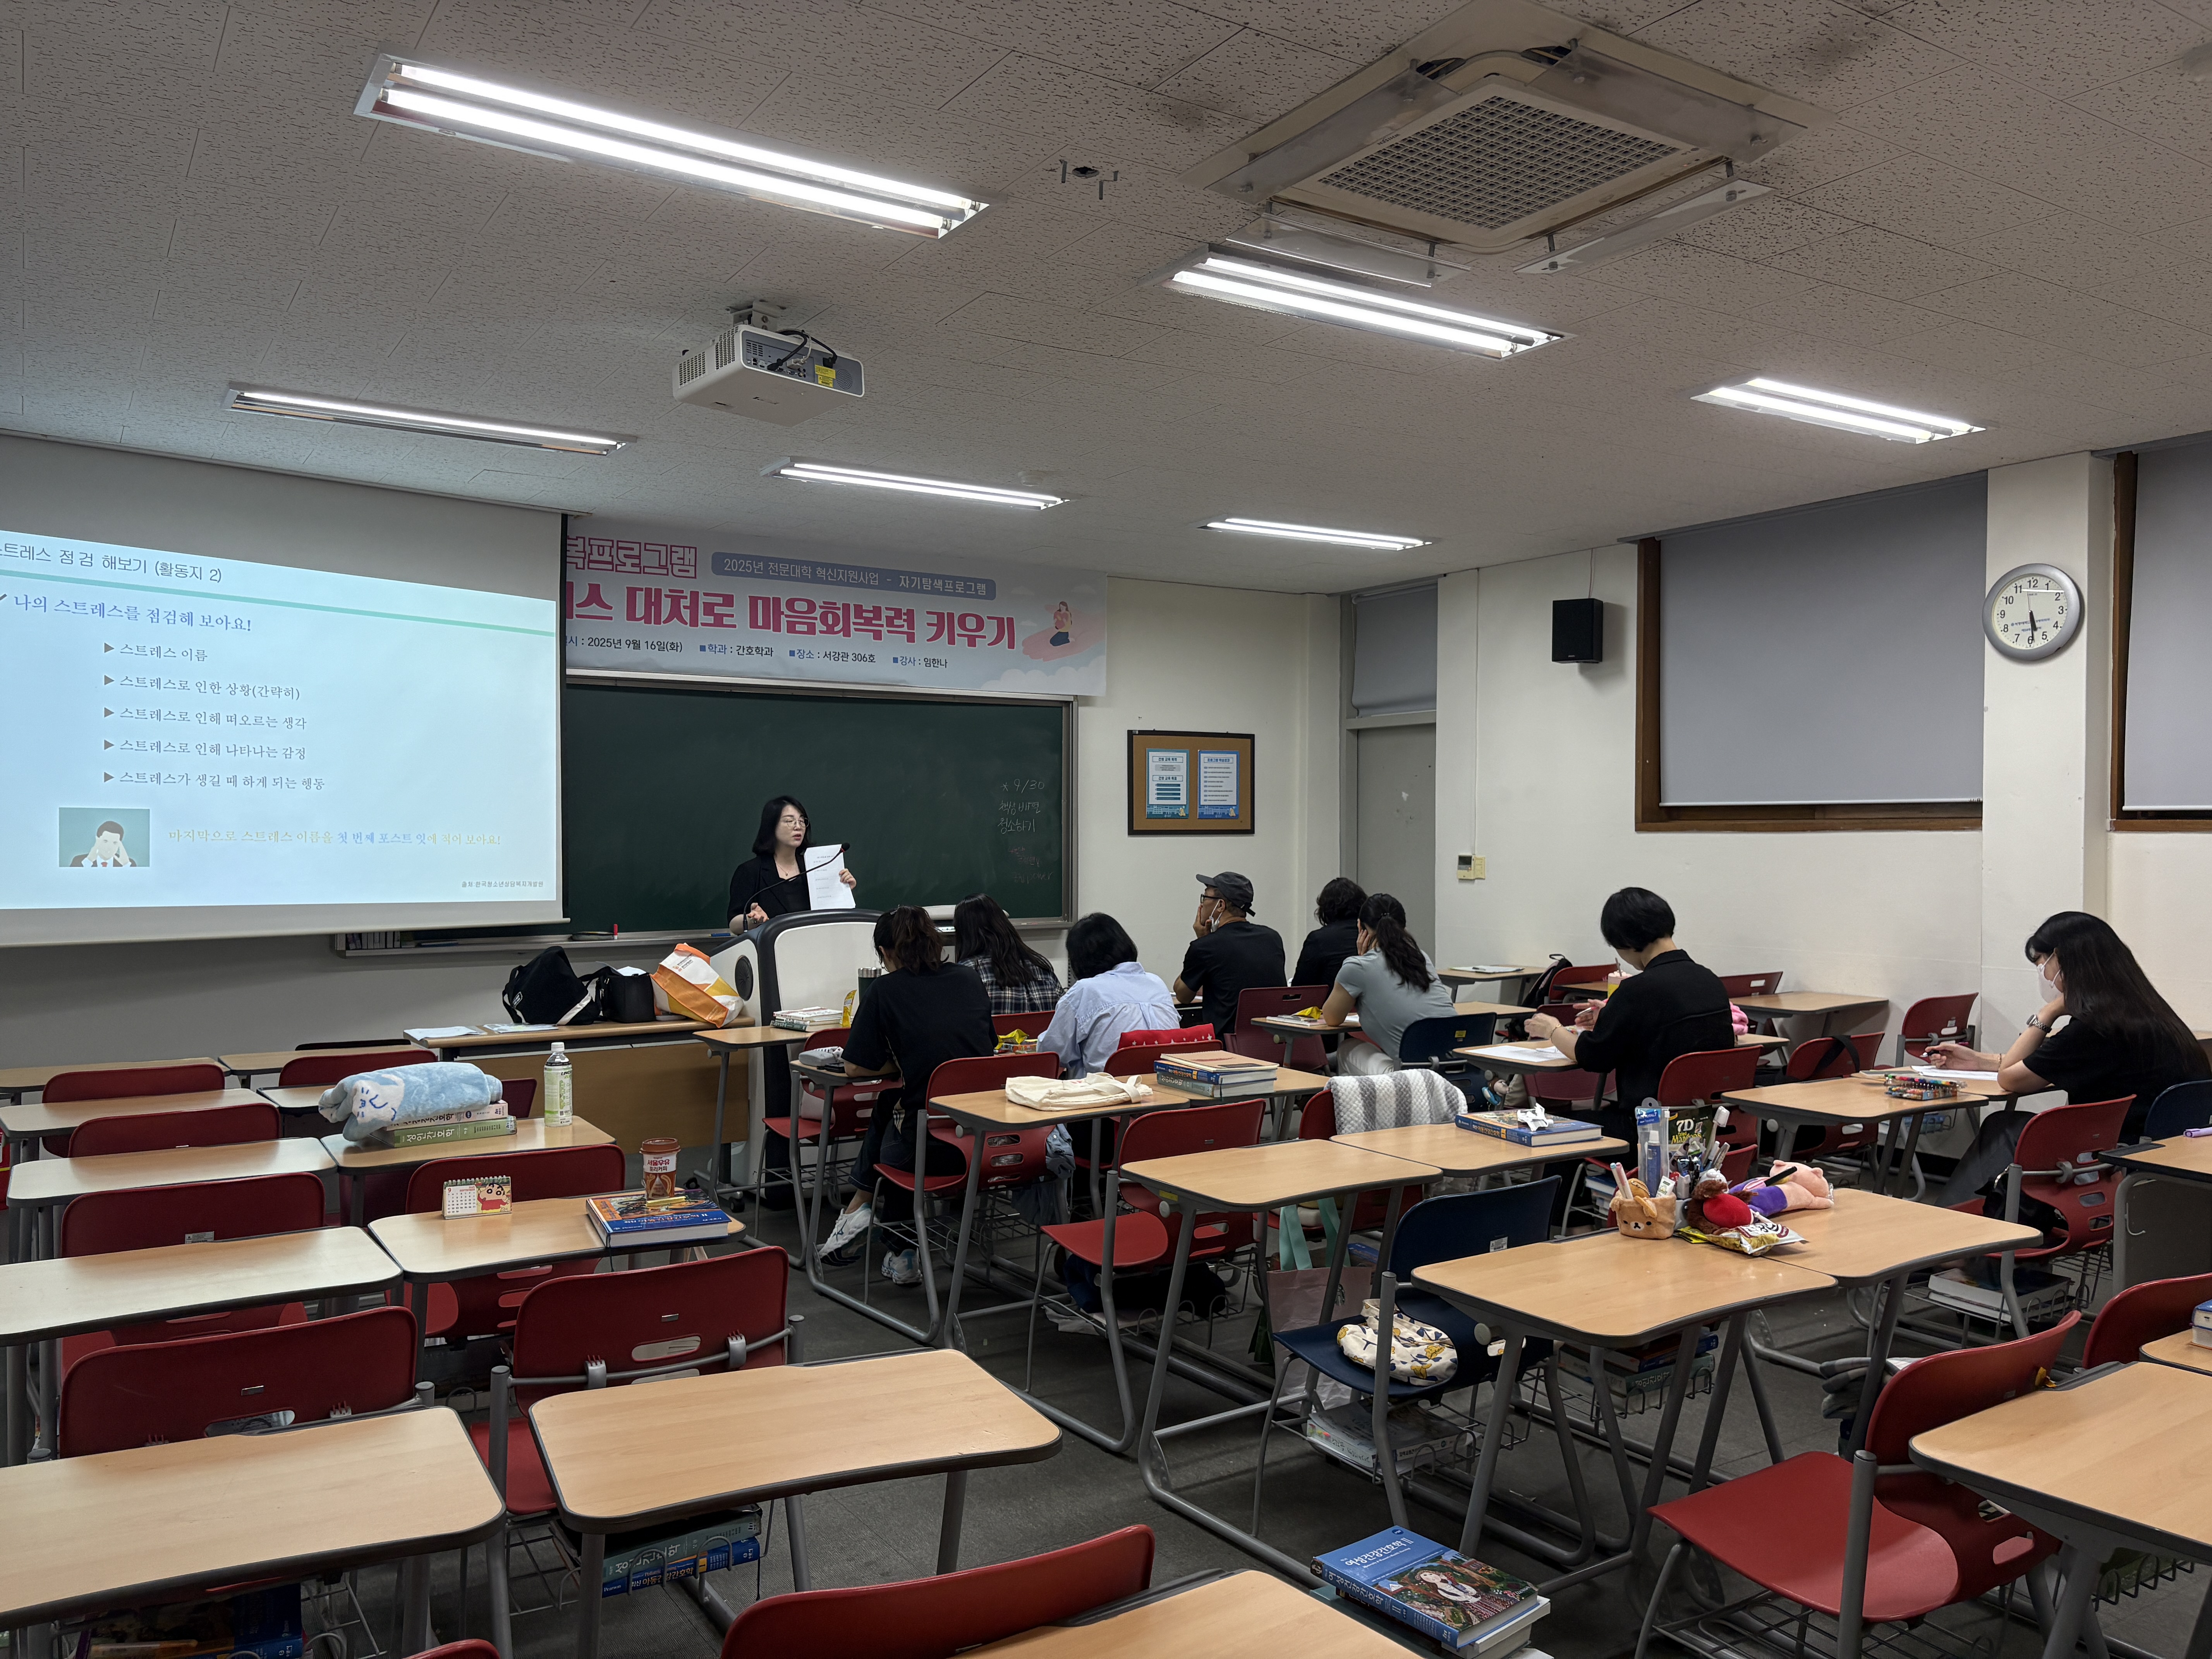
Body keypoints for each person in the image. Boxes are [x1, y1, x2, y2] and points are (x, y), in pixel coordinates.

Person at [1934, 911, 2209, 1199]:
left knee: (2003, 1129)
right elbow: (2048, 1064)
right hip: (2170, 1160)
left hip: (2115, 1164)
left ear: (2063, 961)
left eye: (2042, 964)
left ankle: (1948, 1221)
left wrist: (2048, 1012)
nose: (2043, 975)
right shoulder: (2150, 1015)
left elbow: (2010, 1079)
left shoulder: (2093, 1029)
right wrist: (1982, 1061)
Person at [819, 907, 993, 1283]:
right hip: (987, 1140)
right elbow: (982, 1048)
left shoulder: (885, 990)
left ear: (885, 953)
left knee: (901, 1128)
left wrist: (900, 1062)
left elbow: (854, 1068)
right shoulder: (968, 978)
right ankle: (867, 1219)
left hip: (931, 1149)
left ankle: (886, 1236)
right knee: (896, 1108)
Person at [1525, 887, 1731, 1140]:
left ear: (1628, 942)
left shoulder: (1638, 990)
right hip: (1705, 1127)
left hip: (1648, 1131)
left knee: (1547, 1127)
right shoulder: (1710, 981)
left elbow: (1593, 1057)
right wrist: (1612, 1016)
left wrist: (1553, 1030)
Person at [1313, 892, 1455, 1074]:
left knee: (1346, 1049)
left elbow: (1332, 1018)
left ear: (1361, 927)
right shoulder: (1421, 958)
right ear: (1404, 927)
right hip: (1455, 1068)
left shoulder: (1357, 967)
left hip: (1411, 1077)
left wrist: (1362, 960)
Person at [1040, 912, 1178, 1076]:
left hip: (1108, 1088)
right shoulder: (1156, 983)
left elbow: (1051, 1055)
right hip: (1165, 1084)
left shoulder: (1086, 990)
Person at [1174, 871, 1286, 1040]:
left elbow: (1183, 996)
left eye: (1205, 898)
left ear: (1220, 906)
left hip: (1227, 1045)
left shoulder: (1206, 947)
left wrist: (1202, 941)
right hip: (1273, 1041)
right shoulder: (1273, 938)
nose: (1202, 905)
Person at [725, 795, 856, 928]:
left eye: (802, 821)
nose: (798, 827)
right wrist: (753, 920)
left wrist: (842, 891)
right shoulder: (751, 871)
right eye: (789, 821)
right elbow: (734, 924)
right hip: (771, 941)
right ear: (771, 826)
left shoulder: (816, 868)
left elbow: (829, 916)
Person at [953, 893, 1063, 1017]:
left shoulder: (968, 972)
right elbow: (1063, 1016)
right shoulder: (1041, 966)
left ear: (963, 934)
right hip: (1042, 1031)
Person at [1293, 876, 1367, 988]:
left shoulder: (1318, 939)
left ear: (1326, 908)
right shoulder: (1373, 934)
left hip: (1330, 998)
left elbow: (1300, 988)